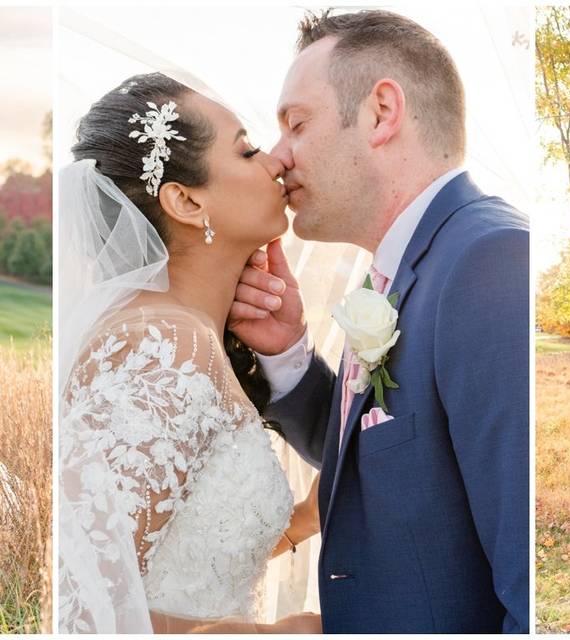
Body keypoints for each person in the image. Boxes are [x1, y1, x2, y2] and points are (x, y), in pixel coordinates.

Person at [227, 10, 530, 633]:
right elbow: (387, 451)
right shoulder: (403, 269)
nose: (277, 157)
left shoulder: (490, 261)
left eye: (296, 124)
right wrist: (287, 353)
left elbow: (530, 586)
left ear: (381, 113)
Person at [59, 73, 321, 633]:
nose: (275, 161)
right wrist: (274, 634)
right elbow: (86, 608)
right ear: (185, 199)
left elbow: (180, 551)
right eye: (248, 149)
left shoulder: (188, 335)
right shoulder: (162, 347)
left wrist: (304, 519)